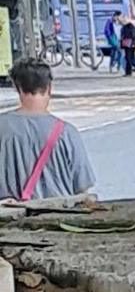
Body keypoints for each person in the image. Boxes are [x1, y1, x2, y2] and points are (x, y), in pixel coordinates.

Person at [2, 60, 98, 204]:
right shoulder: (67, 132)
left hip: (10, 220)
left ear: (17, 88)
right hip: (59, 219)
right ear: (49, 88)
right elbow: (82, 188)